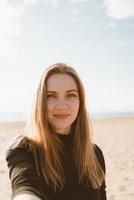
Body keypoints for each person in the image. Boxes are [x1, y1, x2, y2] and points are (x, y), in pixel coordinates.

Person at [6, 63, 107, 200]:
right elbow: (24, 187)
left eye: (71, 95)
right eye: (51, 96)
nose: (61, 105)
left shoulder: (94, 154)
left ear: (80, 102)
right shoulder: (24, 149)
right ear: (40, 102)